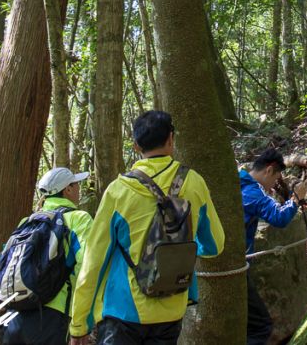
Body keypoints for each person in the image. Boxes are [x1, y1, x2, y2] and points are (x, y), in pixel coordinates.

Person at [68, 111, 225, 345]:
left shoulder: (119, 190)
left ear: (136, 145)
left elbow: (94, 262)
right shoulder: (194, 182)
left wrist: (79, 324)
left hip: (123, 310)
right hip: (172, 311)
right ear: (171, 139)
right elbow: (215, 245)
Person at [0, 167, 94, 345]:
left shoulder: (26, 222)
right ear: (68, 189)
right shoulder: (79, 219)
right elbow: (88, 268)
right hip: (53, 317)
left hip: (13, 316)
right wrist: (84, 321)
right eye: (76, 184)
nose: (78, 189)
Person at [239, 148, 299, 345]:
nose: (273, 185)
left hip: (218, 260)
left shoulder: (235, 180)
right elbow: (279, 218)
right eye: (275, 179)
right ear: (269, 170)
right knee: (261, 325)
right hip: (236, 266)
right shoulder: (253, 192)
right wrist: (296, 200)